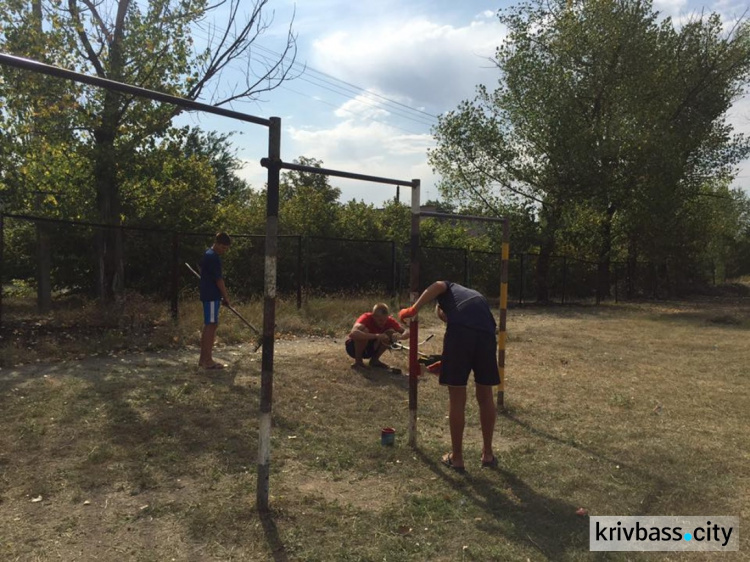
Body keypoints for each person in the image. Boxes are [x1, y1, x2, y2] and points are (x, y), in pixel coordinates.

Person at [399, 281, 499, 472]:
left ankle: (457, 458)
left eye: (443, 317)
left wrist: (413, 309)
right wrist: (448, 362)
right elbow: (471, 334)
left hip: (462, 335)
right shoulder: (474, 296)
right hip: (487, 335)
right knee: (486, 396)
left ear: (442, 308)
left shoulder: (448, 287)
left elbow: (437, 285)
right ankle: (488, 454)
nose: (445, 319)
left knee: (457, 397)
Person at [198, 232, 232, 370]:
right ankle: (208, 360)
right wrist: (226, 297)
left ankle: (203, 359)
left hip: (209, 294)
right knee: (211, 326)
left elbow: (202, 269)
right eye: (223, 247)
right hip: (211, 296)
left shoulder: (208, 254)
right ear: (217, 243)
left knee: (210, 325)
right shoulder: (213, 258)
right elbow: (219, 280)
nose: (224, 251)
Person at [346, 303, 408, 370]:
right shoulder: (366, 317)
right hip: (353, 349)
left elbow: (406, 331)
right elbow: (353, 333)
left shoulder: (389, 321)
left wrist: (401, 337)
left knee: (390, 333)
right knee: (364, 331)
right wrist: (377, 336)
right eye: (380, 320)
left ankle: (374, 361)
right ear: (373, 316)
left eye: (385, 320)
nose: (383, 322)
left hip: (371, 348)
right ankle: (358, 362)